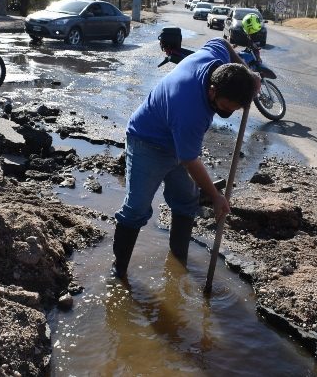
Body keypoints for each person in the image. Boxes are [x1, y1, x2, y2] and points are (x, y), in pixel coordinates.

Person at [111, 38, 261, 278]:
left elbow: (221, 42)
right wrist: (215, 196)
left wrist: (249, 73)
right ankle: (118, 273)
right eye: (226, 106)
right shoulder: (190, 109)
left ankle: (178, 263)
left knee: (185, 201)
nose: (228, 112)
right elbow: (191, 160)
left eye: (234, 109)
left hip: (178, 142)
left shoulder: (216, 62)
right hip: (147, 141)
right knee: (136, 208)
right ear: (213, 91)